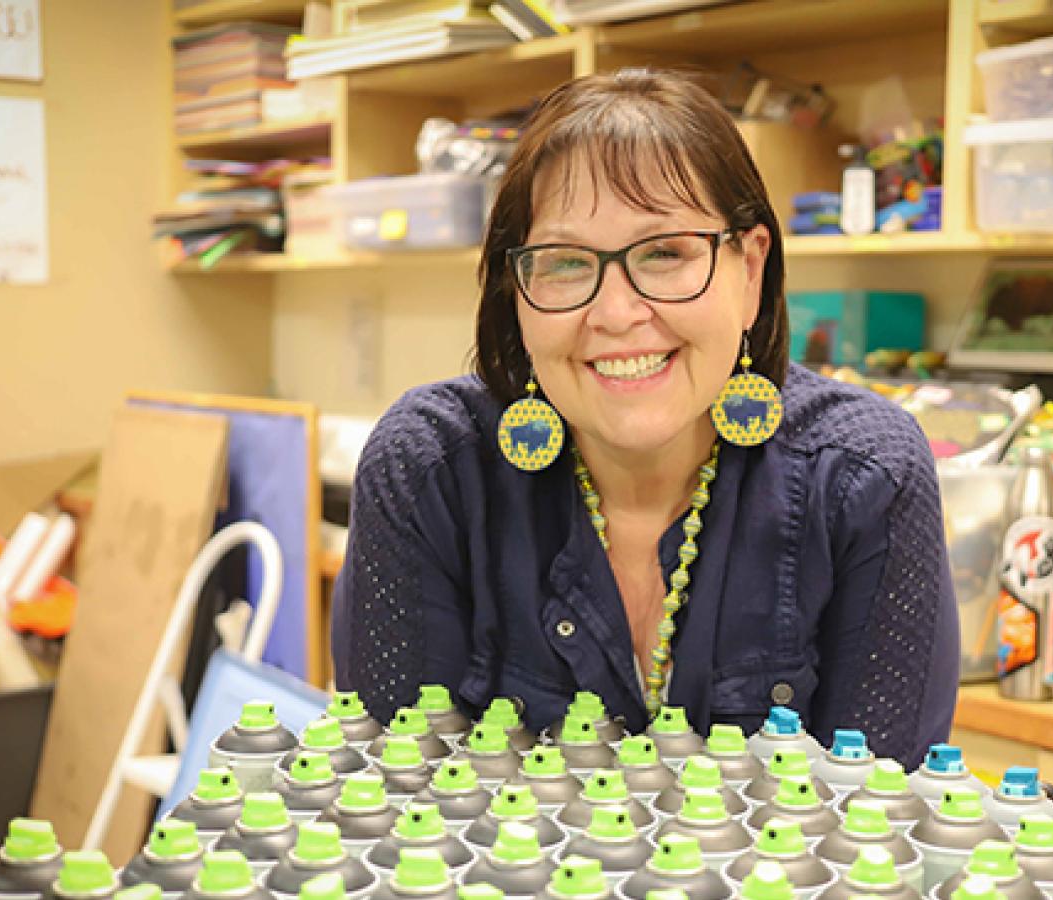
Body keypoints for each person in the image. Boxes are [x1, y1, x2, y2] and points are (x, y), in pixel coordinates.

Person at [332, 68, 960, 765]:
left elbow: (881, 837)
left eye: (665, 253)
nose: (617, 313)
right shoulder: (431, 469)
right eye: (566, 263)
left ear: (750, 272)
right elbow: (390, 813)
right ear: (518, 291)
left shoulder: (865, 477)